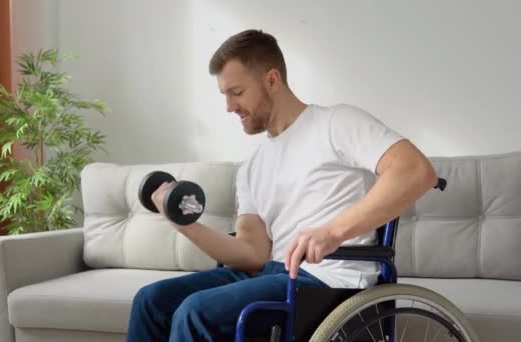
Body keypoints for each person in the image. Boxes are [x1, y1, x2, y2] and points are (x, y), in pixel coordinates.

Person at [126, 29, 437, 342]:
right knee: (151, 302)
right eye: (224, 95)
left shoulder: (336, 123)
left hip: (327, 280)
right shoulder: (253, 165)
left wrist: (332, 232)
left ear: (272, 80)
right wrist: (183, 224)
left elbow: (415, 171)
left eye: (236, 92)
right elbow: (252, 253)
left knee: (196, 312)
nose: (229, 107)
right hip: (274, 273)